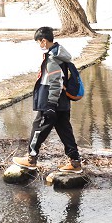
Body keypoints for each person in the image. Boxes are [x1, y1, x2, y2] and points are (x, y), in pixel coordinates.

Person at [13, 26, 83, 173]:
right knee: (65, 131)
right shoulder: (60, 54)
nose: (39, 45)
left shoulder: (53, 58)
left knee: (38, 127)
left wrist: (50, 104)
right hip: (63, 102)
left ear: (44, 41)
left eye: (39, 42)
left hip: (52, 102)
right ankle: (75, 163)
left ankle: (31, 159)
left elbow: (56, 82)